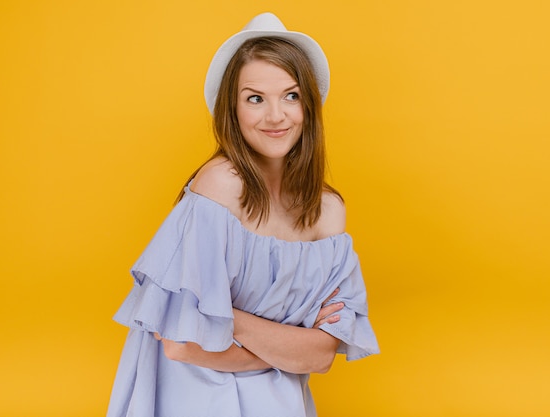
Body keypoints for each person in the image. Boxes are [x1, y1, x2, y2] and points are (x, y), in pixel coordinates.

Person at [107, 12, 379, 417]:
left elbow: (322, 355)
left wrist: (227, 319)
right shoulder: (218, 186)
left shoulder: (328, 212)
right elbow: (181, 345)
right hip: (196, 401)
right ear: (231, 110)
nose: (276, 116)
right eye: (255, 98)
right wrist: (293, 344)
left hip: (283, 405)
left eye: (291, 96)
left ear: (309, 104)